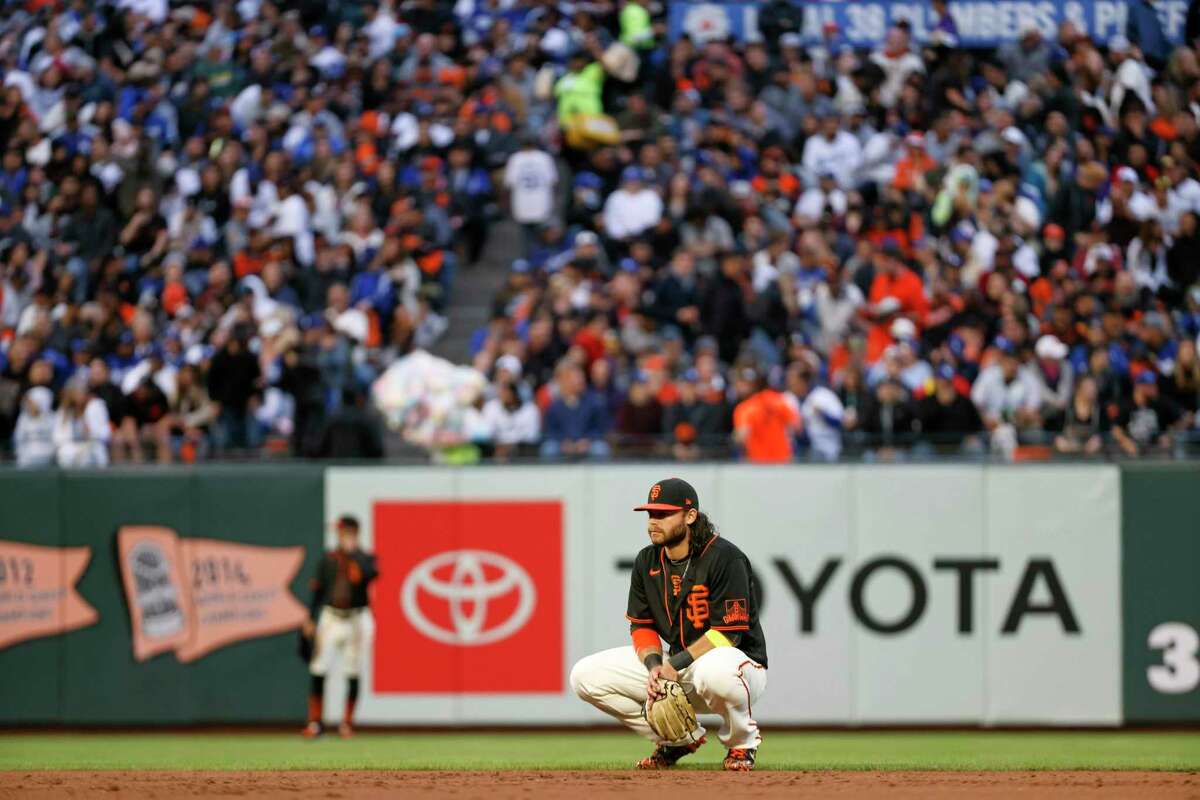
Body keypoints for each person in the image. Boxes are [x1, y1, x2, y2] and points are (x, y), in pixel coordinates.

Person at [569, 478, 767, 772]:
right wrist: (653, 667)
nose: (653, 522)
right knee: (584, 676)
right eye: (651, 514)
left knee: (716, 671)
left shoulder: (725, 557)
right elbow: (642, 625)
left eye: (663, 514)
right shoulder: (646, 560)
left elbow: (729, 634)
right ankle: (678, 738)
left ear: (689, 516)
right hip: (680, 666)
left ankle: (742, 744)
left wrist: (675, 663)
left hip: (739, 666)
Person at [302, 515, 379, 739]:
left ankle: (347, 724)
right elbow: (317, 590)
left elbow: (368, 576)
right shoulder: (328, 559)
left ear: (355, 532)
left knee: (353, 670)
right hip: (331, 617)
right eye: (340, 531)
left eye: (345, 531)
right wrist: (309, 617)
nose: (342, 535)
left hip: (357, 618)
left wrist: (352, 555)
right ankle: (315, 723)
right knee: (319, 668)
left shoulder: (365, 558)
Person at [732, 367, 800, 463]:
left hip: (759, 463)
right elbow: (796, 426)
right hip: (783, 460)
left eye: (742, 383)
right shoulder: (778, 399)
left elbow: (742, 436)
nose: (738, 387)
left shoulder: (745, 408)